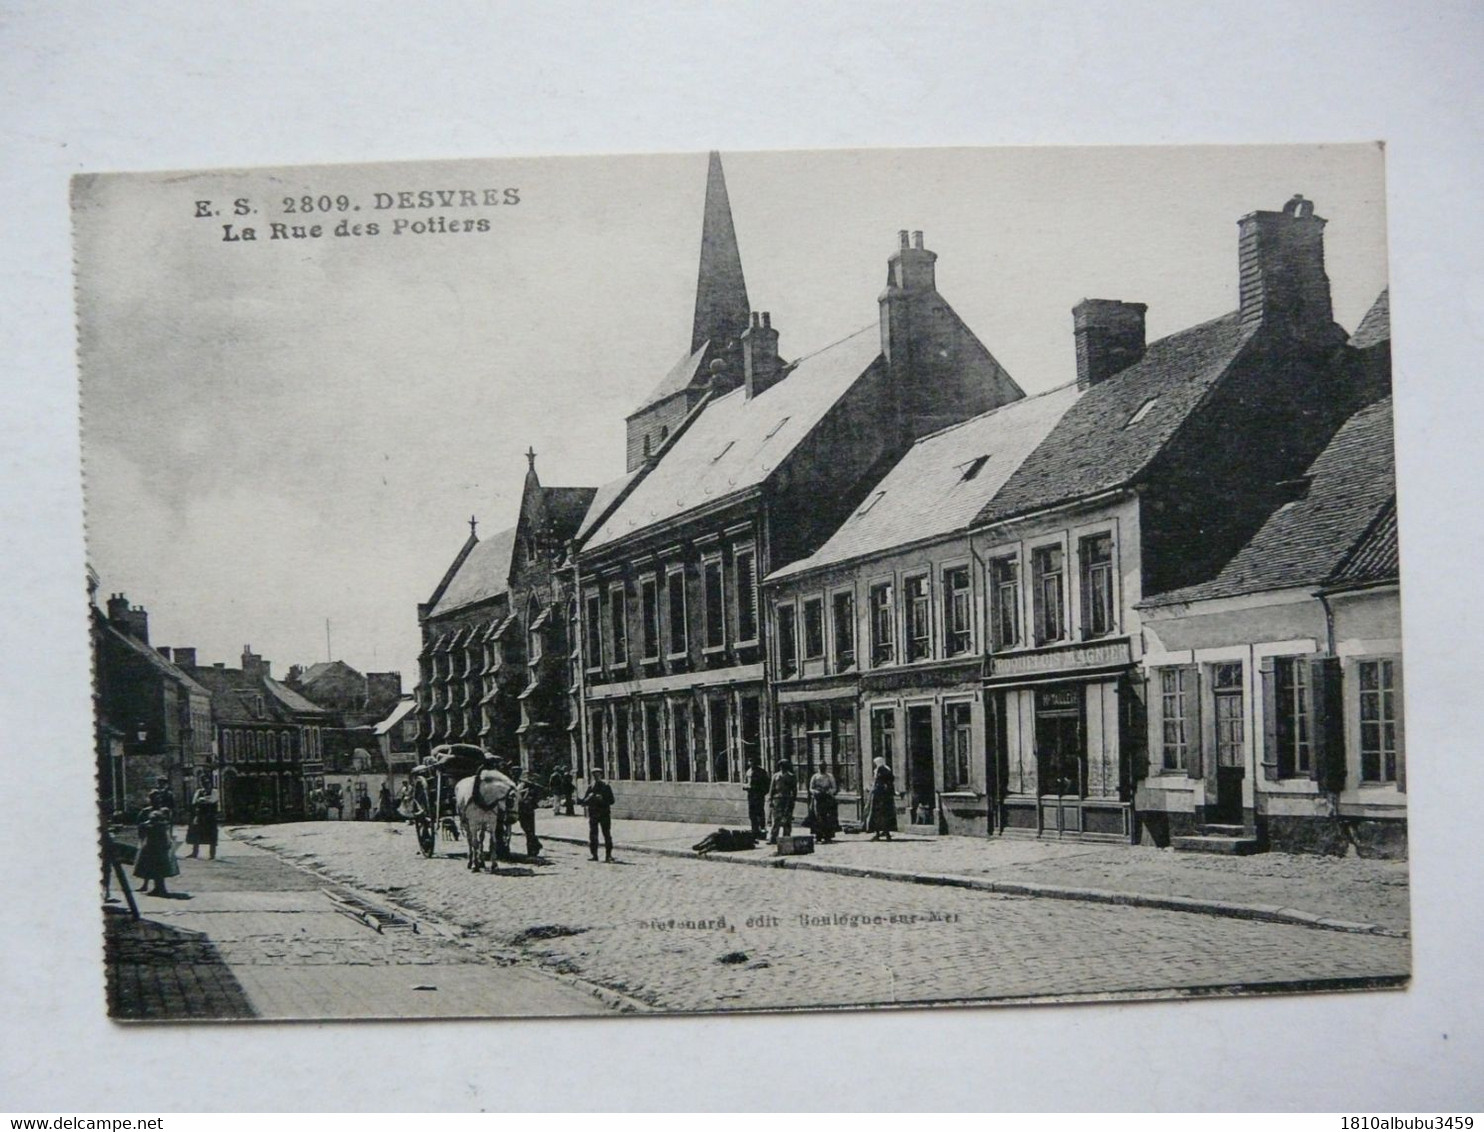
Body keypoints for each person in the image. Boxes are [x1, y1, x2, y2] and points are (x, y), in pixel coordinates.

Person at [133, 790, 180, 897]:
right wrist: (143, 833)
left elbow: (168, 824)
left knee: (160, 863)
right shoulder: (145, 811)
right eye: (154, 798)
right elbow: (140, 825)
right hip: (150, 839)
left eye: (158, 798)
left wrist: (169, 838)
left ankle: (160, 888)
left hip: (161, 840)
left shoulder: (165, 811)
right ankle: (149, 885)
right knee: (148, 862)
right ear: (150, 799)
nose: (157, 801)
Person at [578, 766, 615, 862]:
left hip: (604, 814)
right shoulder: (591, 787)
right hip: (593, 814)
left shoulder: (606, 787)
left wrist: (602, 799)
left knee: (606, 834)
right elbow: (584, 802)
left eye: (598, 775)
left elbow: (612, 801)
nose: (596, 777)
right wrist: (588, 798)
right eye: (594, 775)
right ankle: (594, 855)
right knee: (593, 835)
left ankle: (608, 855)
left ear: (601, 775)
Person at [185, 775, 219, 859]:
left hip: (210, 816)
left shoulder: (214, 791)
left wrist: (202, 800)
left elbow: (212, 800)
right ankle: (195, 853)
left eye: (208, 783)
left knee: (212, 835)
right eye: (204, 783)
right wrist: (203, 800)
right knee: (196, 834)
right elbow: (194, 801)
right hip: (200, 816)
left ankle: (212, 854)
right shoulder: (199, 791)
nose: (206, 785)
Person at [513, 770, 546, 857]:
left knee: (529, 830)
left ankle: (532, 850)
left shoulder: (527, 787)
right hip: (525, 810)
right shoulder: (522, 786)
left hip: (525, 810)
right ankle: (535, 846)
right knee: (528, 830)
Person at [866, 756, 898, 841]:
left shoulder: (881, 770)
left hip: (879, 795)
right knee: (884, 815)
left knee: (878, 815)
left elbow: (880, 782)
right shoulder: (886, 769)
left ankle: (880, 833)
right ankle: (885, 833)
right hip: (885, 795)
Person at [768, 757, 798, 845]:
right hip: (777, 799)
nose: (782, 767)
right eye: (781, 766)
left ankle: (786, 837)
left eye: (784, 766)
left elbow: (794, 789)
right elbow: (772, 789)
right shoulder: (776, 776)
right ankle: (773, 838)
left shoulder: (791, 776)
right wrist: (770, 800)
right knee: (776, 819)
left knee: (787, 819)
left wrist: (793, 800)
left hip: (787, 799)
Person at [807, 766, 839, 844]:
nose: (822, 769)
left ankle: (828, 836)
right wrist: (815, 791)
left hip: (827, 798)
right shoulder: (815, 776)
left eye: (823, 767)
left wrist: (829, 791)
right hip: (818, 799)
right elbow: (811, 788)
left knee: (828, 817)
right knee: (818, 817)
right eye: (820, 767)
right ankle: (818, 835)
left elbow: (834, 787)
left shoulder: (830, 776)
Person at [744, 758, 770, 838]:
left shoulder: (761, 772)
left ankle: (762, 830)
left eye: (753, 761)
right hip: (751, 795)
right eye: (750, 761)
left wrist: (762, 792)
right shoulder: (748, 771)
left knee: (760, 813)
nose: (751, 763)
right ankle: (754, 830)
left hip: (758, 795)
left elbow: (767, 784)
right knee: (752, 813)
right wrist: (746, 787)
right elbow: (746, 782)